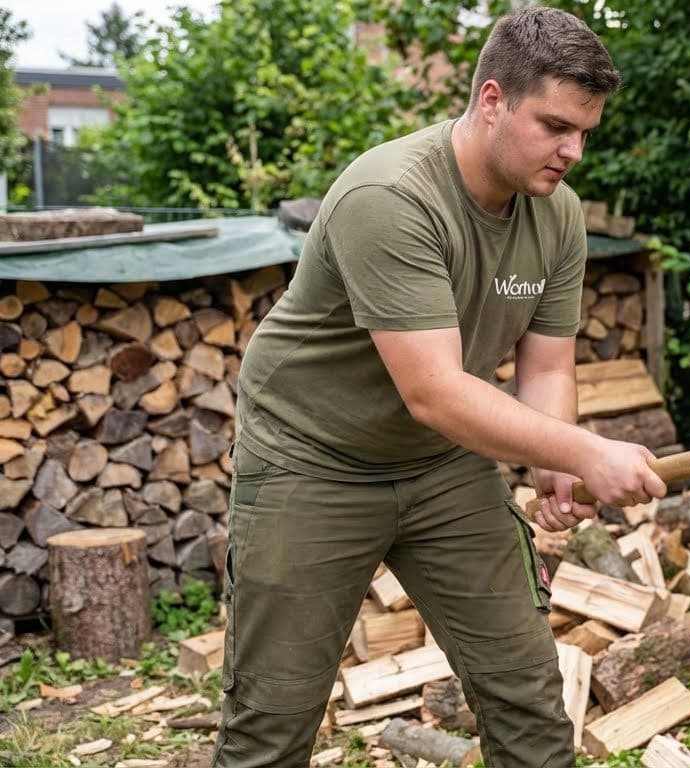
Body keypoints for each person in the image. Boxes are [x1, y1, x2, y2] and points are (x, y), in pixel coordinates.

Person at [211, 7, 666, 767]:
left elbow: (546, 367)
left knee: (527, 697)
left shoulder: (555, 217)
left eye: (585, 131)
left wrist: (550, 462)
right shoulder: (390, 197)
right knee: (271, 723)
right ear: (492, 101)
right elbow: (437, 392)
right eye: (555, 125)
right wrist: (585, 450)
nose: (573, 151)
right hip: (312, 461)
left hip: (441, 465)